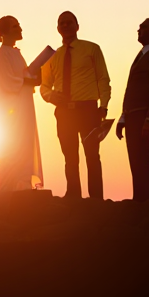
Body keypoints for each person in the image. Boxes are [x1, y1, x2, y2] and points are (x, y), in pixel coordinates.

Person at [40, 11, 111, 200]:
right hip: (64, 112)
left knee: (92, 156)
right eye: (61, 23)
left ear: (77, 26)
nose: (65, 26)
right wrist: (51, 96)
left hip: (88, 109)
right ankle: (73, 196)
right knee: (69, 157)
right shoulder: (51, 57)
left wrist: (103, 106)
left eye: (69, 23)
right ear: (57, 29)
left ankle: (96, 198)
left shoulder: (92, 49)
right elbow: (44, 85)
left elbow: (103, 78)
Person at [115, 18, 149, 201]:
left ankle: (146, 200)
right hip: (133, 115)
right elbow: (132, 88)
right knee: (135, 161)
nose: (139, 29)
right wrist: (123, 118)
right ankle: (140, 199)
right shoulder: (142, 55)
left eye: (144, 27)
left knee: (142, 159)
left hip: (142, 115)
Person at [0, 16, 43, 192]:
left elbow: (24, 76)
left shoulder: (15, 52)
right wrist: (30, 81)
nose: (20, 28)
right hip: (13, 110)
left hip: (24, 107)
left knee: (25, 144)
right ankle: (10, 191)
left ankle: (23, 185)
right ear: (5, 32)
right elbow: (8, 81)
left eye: (19, 25)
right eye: (15, 26)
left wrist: (36, 76)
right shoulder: (3, 53)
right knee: (14, 147)